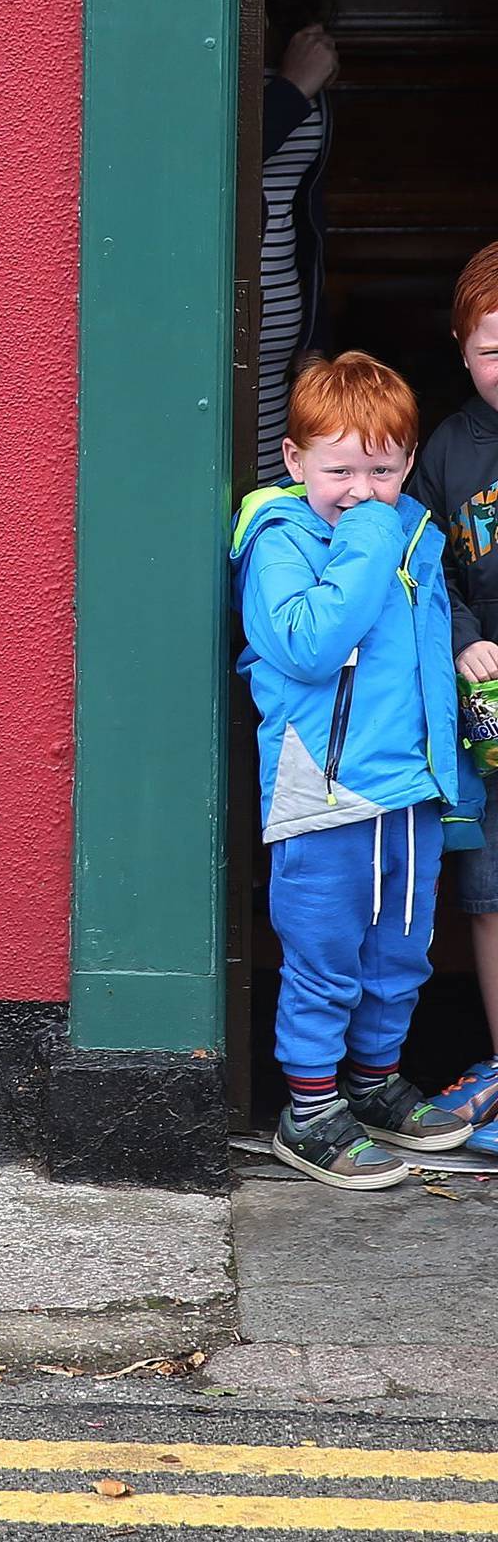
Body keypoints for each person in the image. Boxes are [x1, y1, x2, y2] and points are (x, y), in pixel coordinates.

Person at [231, 350, 483, 1186]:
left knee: (401, 953)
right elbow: (306, 643)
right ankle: (308, 1109)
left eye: (382, 469)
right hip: (325, 789)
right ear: (296, 460)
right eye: (339, 468)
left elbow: (425, 668)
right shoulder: (279, 539)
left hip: (409, 786)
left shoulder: (414, 530)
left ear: (409, 462)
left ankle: (373, 1084)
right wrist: (372, 533)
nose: (361, 489)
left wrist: (452, 780)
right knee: (325, 952)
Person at [407, 244, 498, 1149]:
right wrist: (465, 636)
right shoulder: (450, 447)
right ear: (462, 350)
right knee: (489, 883)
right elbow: (428, 569)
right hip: (489, 705)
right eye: (494, 349)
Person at [256, 0, 350, 481]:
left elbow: (301, 208)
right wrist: (292, 91)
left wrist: (312, 340)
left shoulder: (290, 32)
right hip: (216, 334)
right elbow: (201, 174)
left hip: (282, 341)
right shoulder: (199, 25)